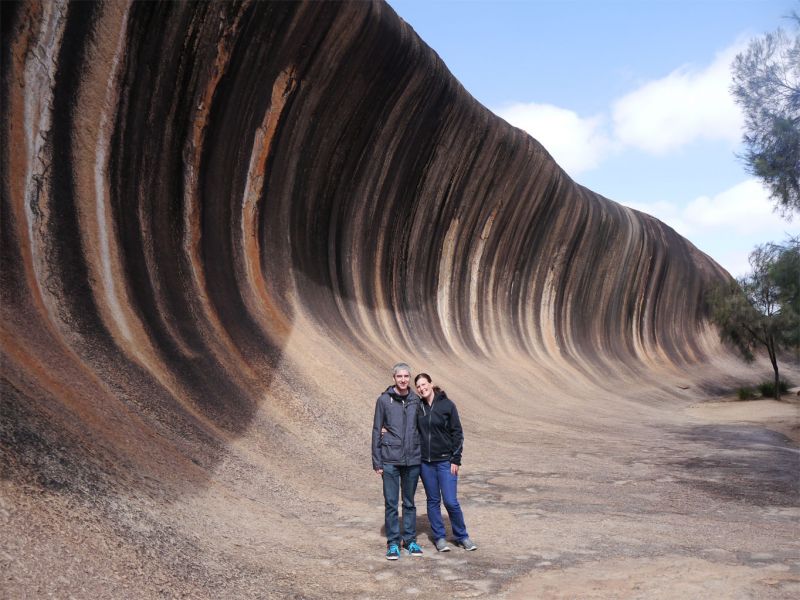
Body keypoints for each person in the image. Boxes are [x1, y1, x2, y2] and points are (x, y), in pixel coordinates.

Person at [414, 373, 477, 552]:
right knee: (433, 501)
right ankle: (439, 537)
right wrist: (386, 429)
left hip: (445, 462)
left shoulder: (447, 405)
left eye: (424, 384)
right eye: (418, 386)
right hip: (425, 464)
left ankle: (462, 536)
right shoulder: (418, 407)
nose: (421, 388)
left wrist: (455, 459)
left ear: (431, 384)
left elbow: (457, 433)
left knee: (450, 501)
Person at [372, 363, 424, 560]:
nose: (403, 380)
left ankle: (410, 540)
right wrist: (377, 461)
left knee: (409, 503)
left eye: (406, 376)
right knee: (391, 503)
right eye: (399, 376)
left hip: (412, 460)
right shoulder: (384, 401)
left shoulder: (415, 401)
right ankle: (393, 542)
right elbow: (377, 430)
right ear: (393, 378)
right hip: (390, 460)